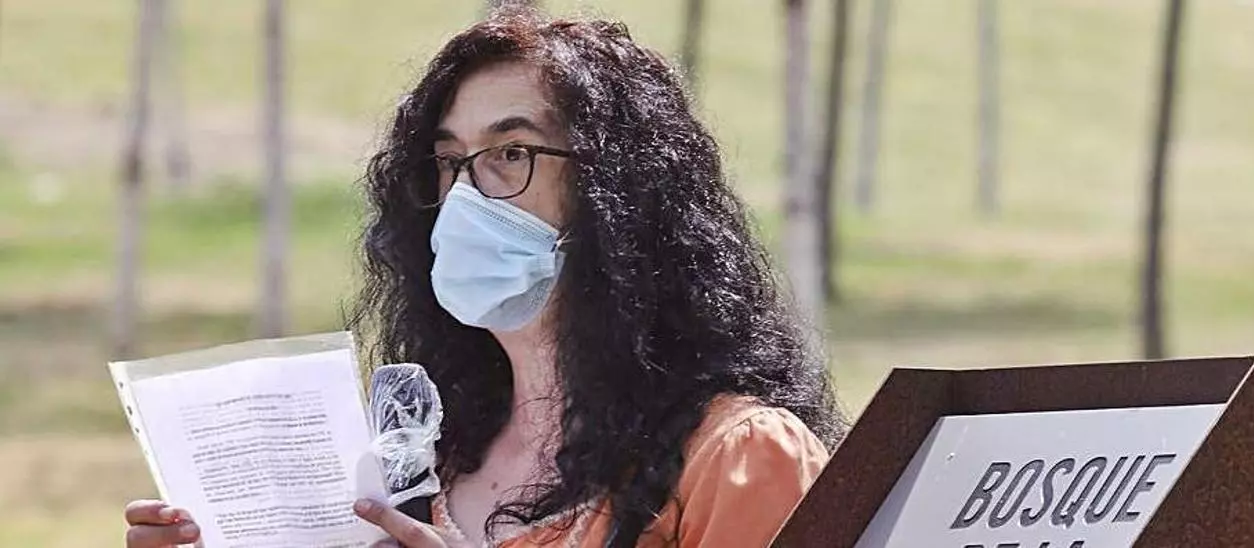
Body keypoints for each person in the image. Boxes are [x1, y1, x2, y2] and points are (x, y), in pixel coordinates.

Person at [123, 7, 846, 548]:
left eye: (512, 153)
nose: (466, 199)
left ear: (619, 191)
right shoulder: (418, 449)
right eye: (450, 162)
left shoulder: (738, 455)